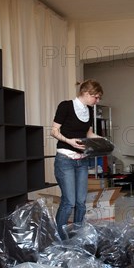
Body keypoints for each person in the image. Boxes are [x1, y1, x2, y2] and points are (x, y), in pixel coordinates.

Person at [50, 79, 104, 238]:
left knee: (81, 202)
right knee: (69, 202)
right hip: (65, 159)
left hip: (82, 160)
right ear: (87, 93)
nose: (98, 101)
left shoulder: (90, 110)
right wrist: (68, 141)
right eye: (96, 97)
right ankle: (59, 237)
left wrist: (102, 141)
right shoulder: (65, 106)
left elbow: (88, 134)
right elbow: (54, 131)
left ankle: (77, 236)